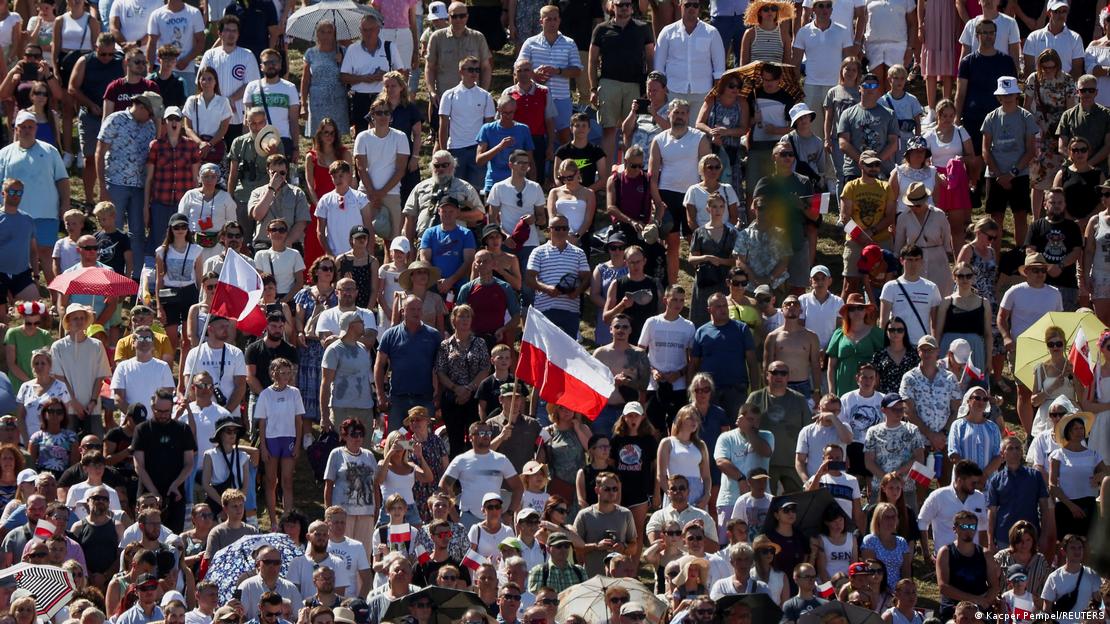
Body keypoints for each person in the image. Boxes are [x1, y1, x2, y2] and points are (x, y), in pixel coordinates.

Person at [96, 91, 159, 275]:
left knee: (138, 233)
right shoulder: (115, 119)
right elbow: (100, 152)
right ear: (140, 106)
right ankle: (109, 274)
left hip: (139, 187)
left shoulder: (150, 126)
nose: (151, 117)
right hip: (115, 184)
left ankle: (136, 278)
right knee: (111, 231)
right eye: (150, 112)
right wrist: (102, 187)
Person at [587, 0, 655, 165]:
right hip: (608, 83)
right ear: (612, 7)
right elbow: (592, 60)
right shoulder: (601, 29)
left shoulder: (643, 28)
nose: (624, 8)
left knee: (630, 130)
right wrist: (593, 88)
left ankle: (628, 175)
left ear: (632, 8)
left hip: (635, 85)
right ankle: (607, 176)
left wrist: (649, 85)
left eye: (627, 4)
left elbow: (650, 58)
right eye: (619, 4)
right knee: (609, 130)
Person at [982, 76, 1038, 253]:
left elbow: (1030, 150)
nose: (1007, 97)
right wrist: (999, 174)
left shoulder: (1026, 117)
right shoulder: (991, 117)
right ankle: (994, 259)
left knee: (1020, 216)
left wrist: (1012, 173)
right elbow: (985, 150)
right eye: (1003, 94)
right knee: (995, 217)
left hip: (1019, 174)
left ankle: (1019, 258)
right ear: (998, 96)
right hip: (995, 175)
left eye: (1010, 94)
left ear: (1017, 95)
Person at [131, 389, 195, 532]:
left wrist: (175, 484)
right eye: (159, 411)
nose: (163, 415)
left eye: (167, 411)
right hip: (148, 495)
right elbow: (138, 466)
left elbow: (189, 463)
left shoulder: (182, 429)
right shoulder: (142, 430)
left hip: (175, 493)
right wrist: (154, 493)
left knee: (173, 537)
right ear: (152, 408)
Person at [375, 295, 441, 433]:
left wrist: (439, 394)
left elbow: (440, 368)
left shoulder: (433, 335)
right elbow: (379, 365)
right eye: (412, 309)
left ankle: (419, 455)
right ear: (403, 311)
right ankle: (403, 455)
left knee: (424, 440)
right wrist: (380, 395)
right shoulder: (390, 335)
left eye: (419, 309)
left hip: (424, 398)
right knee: (399, 441)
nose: (416, 312)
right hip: (398, 399)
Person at [515, 5, 580, 141]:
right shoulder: (530, 43)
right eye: (548, 19)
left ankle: (564, 162)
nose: (552, 22)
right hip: (536, 97)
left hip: (561, 97)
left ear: (559, 21)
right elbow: (518, 68)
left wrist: (558, 71)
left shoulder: (569, 43)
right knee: (535, 135)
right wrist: (534, 74)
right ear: (541, 22)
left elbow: (577, 71)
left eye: (555, 19)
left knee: (564, 135)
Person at [745, 361, 810, 493]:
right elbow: (744, 426)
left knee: (797, 503)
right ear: (767, 375)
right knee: (765, 505)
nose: (778, 376)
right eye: (774, 372)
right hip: (763, 463)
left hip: (793, 462)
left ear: (788, 377)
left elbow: (808, 431)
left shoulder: (799, 400)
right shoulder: (755, 398)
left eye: (783, 373)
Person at [935, 510, 1000, 620]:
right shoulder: (945, 552)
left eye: (972, 526)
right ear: (954, 529)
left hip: (980, 608)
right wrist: (974, 600)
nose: (968, 530)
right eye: (964, 526)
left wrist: (985, 602)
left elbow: (994, 586)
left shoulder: (986, 554)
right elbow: (943, 587)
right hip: (953, 607)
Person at [837, 72, 898, 182]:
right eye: (866, 85)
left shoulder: (890, 114)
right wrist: (864, 161)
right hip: (855, 171)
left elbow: (894, 143)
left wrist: (875, 162)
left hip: (883, 170)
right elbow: (843, 143)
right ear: (859, 88)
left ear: (878, 89)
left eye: (874, 86)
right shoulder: (847, 114)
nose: (870, 89)